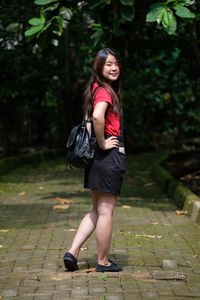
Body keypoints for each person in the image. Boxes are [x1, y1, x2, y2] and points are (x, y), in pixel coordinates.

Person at [63, 48, 125, 272]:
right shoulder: (105, 92)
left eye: (116, 63)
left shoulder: (95, 89)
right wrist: (103, 142)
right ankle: (103, 262)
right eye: (108, 64)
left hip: (95, 160)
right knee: (106, 211)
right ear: (98, 67)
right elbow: (98, 117)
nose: (114, 67)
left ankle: (73, 251)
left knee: (97, 209)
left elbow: (89, 119)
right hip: (107, 156)